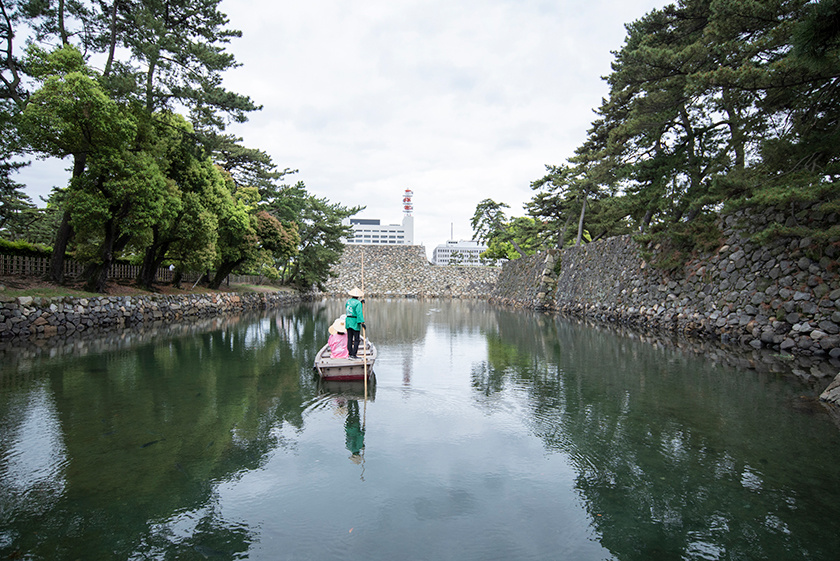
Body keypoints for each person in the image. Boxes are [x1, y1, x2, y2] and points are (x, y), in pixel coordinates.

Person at [345, 287, 365, 359]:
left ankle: (350, 353)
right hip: (354, 321)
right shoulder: (357, 303)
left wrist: (361, 302)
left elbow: (349, 308)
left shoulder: (348, 301)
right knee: (356, 339)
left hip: (348, 320)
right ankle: (354, 354)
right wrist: (362, 323)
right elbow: (359, 313)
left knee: (349, 338)